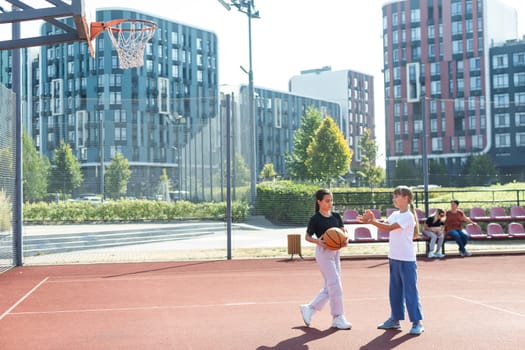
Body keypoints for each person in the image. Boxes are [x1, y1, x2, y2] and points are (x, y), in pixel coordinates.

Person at [357, 185, 424, 335]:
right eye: (394, 196)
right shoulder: (395, 214)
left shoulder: (408, 216)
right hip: (394, 258)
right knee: (395, 291)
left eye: (397, 196)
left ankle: (417, 322)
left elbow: (389, 228)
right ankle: (395, 320)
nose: (394, 199)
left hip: (407, 260)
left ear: (406, 198)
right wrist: (371, 219)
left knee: (410, 291)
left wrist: (371, 222)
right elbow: (386, 223)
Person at [300, 188, 352, 330]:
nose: (330, 203)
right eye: (327, 201)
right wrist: (318, 242)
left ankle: (309, 309)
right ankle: (338, 317)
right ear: (319, 202)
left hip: (336, 252)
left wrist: (345, 239)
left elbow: (343, 231)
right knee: (335, 284)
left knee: (330, 286)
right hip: (323, 253)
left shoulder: (335, 215)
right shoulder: (315, 219)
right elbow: (307, 237)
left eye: (331, 201)